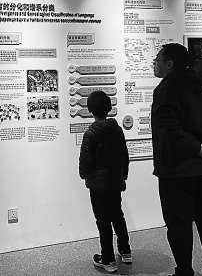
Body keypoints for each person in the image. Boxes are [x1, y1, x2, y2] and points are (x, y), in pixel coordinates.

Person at [151, 43, 202, 276]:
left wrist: (199, 148)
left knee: (178, 223)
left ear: (169, 64)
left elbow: (169, 131)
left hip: (176, 169)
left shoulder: (166, 90)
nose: (154, 63)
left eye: (157, 59)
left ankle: (184, 271)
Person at [79, 90, 131, 273]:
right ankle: (125, 250)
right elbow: (124, 156)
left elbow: (85, 162)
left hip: (98, 185)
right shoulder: (117, 129)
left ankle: (108, 258)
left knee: (103, 221)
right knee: (117, 215)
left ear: (90, 109)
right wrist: (123, 176)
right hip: (115, 181)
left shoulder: (90, 133)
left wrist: (84, 175)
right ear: (108, 107)